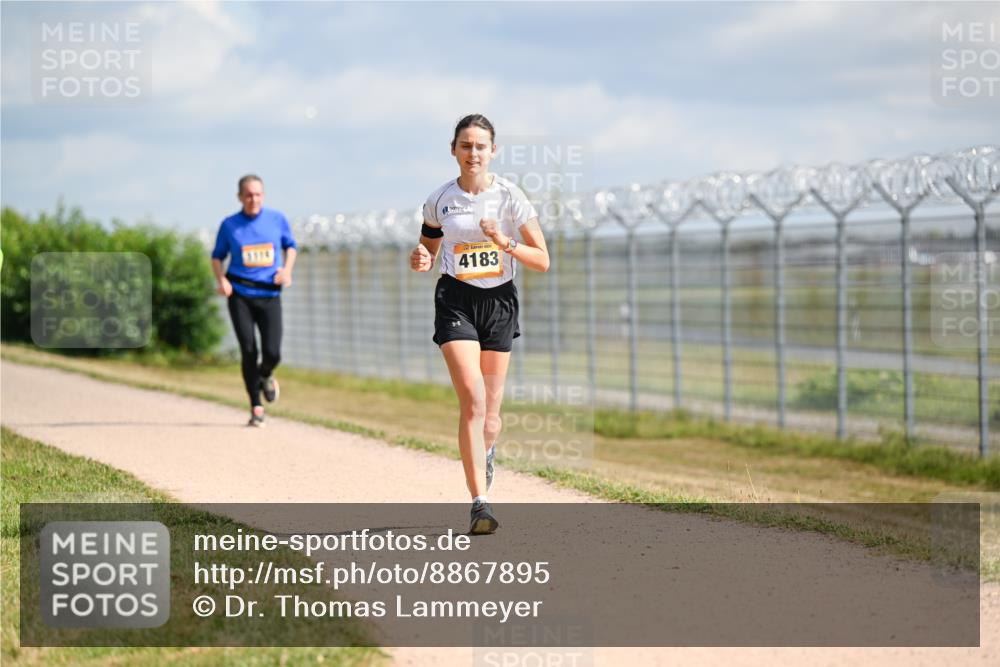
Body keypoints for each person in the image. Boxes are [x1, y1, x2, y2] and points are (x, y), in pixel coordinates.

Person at [411, 114, 550, 534]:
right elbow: (427, 249)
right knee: (471, 399)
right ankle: (479, 503)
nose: (473, 153)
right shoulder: (440, 200)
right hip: (456, 300)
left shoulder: (510, 197)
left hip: (500, 303)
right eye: (466, 145)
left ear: (493, 151)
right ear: (453, 149)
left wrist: (504, 241)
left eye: (481, 146)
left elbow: (542, 259)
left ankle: (487, 450)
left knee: (491, 416)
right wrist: (419, 259)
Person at [211, 174, 297, 427]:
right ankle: (256, 407)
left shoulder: (277, 219)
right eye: (248, 195)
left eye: (258, 194)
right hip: (240, 295)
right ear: (240, 197)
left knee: (272, 352)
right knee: (249, 350)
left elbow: (290, 247)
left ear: (264, 195)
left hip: (270, 295)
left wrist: (287, 271)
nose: (253, 199)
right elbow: (217, 256)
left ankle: (266, 375)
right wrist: (222, 280)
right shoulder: (230, 225)